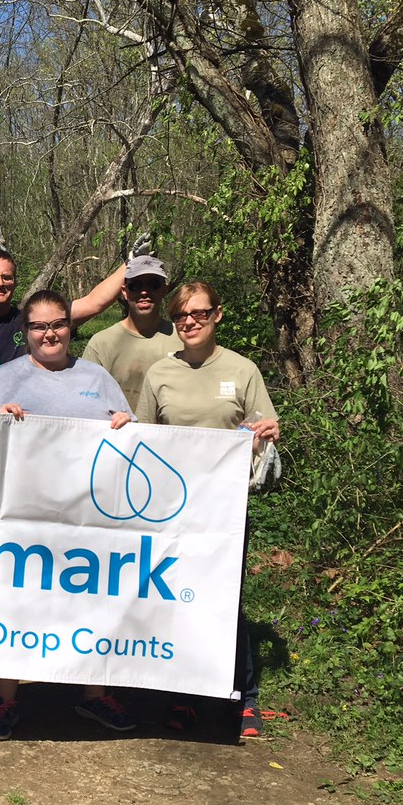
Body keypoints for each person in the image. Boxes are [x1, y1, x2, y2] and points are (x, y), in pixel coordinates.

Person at [0, 290, 137, 740]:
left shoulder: (97, 378)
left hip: (89, 518)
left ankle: (95, 696)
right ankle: (5, 699)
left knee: (94, 601)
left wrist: (126, 425)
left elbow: (131, 442)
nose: (49, 333)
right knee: (15, 605)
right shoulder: (5, 378)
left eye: (57, 324)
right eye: (39, 326)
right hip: (22, 514)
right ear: (25, 333)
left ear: (70, 326)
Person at [134, 280, 280, 738]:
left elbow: (264, 430)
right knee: (178, 602)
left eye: (198, 314)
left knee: (224, 603)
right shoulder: (159, 373)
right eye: (180, 316)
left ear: (217, 314)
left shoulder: (242, 370)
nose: (189, 323)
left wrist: (269, 432)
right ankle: (185, 698)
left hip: (227, 510)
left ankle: (244, 700)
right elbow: (143, 440)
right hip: (173, 512)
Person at [0, 248, 128, 363]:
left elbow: (94, 303)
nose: (0, 283)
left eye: (7, 277)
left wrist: (131, 262)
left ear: (14, 283)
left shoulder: (30, 322)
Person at [81, 255, 182, 412]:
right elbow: (86, 401)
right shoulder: (101, 344)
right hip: (118, 434)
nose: (144, 292)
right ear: (125, 292)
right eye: (135, 285)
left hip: (169, 435)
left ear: (164, 290)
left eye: (153, 285)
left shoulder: (183, 339)